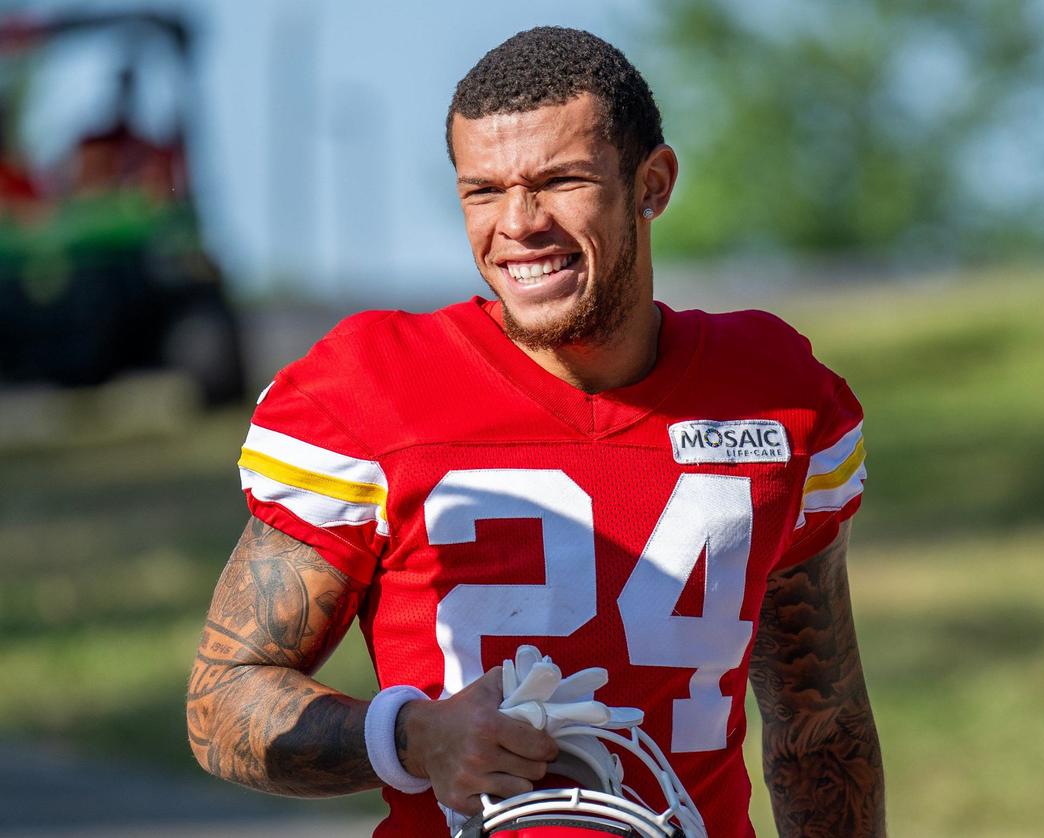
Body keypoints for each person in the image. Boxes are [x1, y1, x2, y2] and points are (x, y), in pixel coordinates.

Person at [187, 26, 886, 837]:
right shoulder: (374, 388)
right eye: (483, 190)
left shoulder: (775, 398)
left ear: (652, 184)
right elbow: (222, 699)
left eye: (560, 181)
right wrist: (414, 736)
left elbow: (819, 729)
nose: (518, 224)